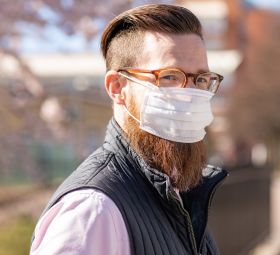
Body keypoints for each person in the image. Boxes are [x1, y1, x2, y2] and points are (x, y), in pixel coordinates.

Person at [30, 4, 227, 255]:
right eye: (169, 76)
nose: (190, 94)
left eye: (200, 79)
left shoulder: (176, 191)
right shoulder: (94, 211)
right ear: (117, 87)